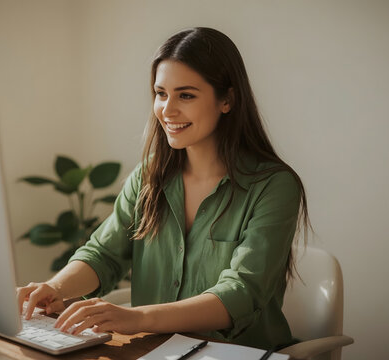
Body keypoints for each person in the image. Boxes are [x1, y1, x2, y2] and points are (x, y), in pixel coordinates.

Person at [16, 27, 310, 350]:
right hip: (155, 353)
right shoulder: (149, 175)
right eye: (161, 93)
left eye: (186, 95)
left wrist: (138, 318)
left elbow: (241, 292)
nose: (167, 111)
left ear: (227, 99)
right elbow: (103, 254)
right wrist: (55, 287)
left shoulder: (274, 186)